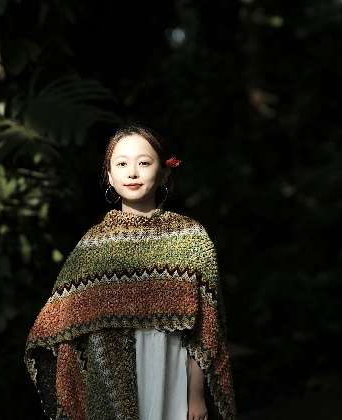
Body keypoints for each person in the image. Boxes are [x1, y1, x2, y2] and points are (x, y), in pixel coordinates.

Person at [24, 123, 236, 420]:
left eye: (144, 163)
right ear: (110, 176)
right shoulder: (93, 245)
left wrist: (196, 393)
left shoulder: (190, 238)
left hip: (172, 372)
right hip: (108, 378)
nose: (132, 173)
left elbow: (205, 328)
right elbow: (59, 320)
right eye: (122, 164)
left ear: (164, 172)